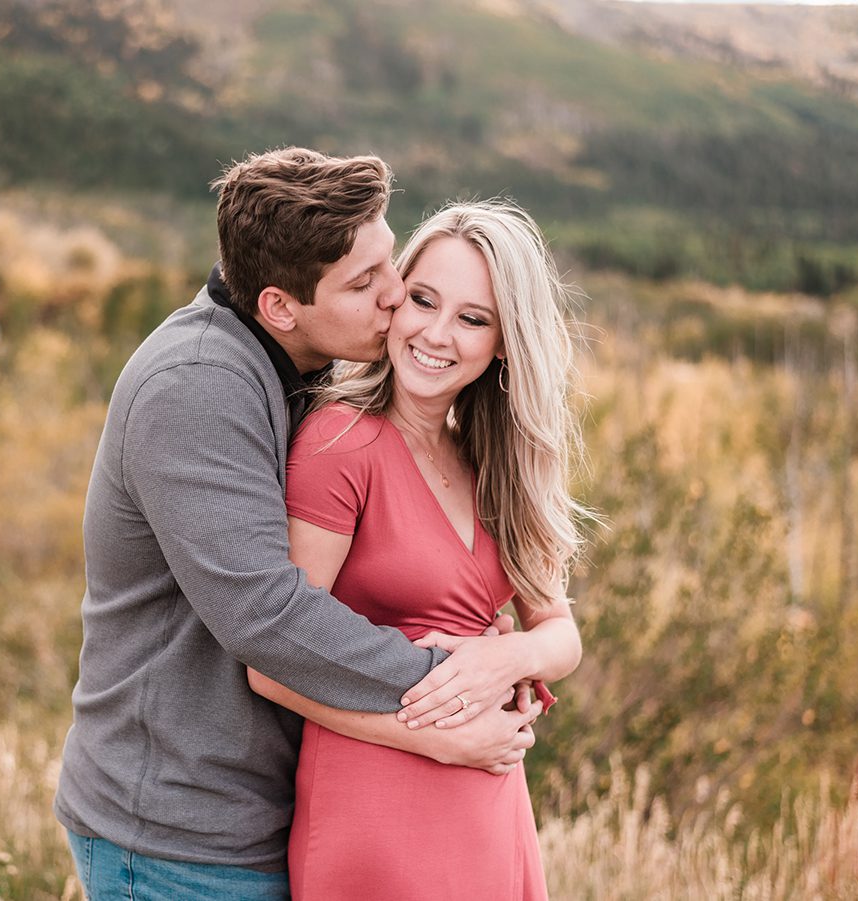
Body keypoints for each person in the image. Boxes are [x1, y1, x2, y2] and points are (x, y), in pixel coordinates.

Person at [54, 151, 544, 900]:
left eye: (389, 264)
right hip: (176, 831)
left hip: (258, 811)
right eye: (363, 284)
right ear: (282, 305)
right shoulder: (195, 388)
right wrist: (455, 685)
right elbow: (268, 616)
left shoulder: (302, 366)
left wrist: (504, 654)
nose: (395, 297)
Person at [249, 201, 591, 899]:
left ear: (504, 341)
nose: (436, 333)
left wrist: (508, 654)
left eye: (472, 317)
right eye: (422, 300)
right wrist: (434, 738)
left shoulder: (494, 462)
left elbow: (561, 634)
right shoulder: (339, 443)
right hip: (373, 797)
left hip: (490, 798)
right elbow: (271, 666)